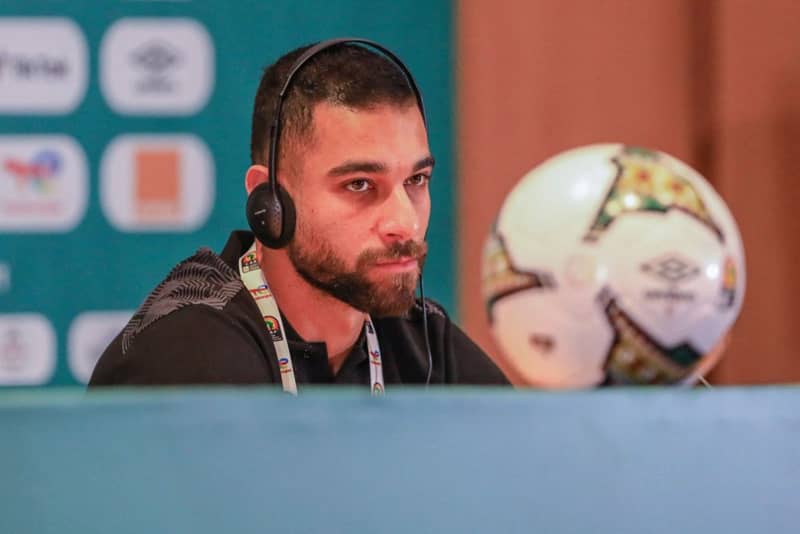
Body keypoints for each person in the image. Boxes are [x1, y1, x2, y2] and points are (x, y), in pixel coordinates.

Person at [89, 39, 508, 391]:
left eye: (416, 180)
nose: (405, 223)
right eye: (360, 184)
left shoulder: (425, 346)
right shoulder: (191, 353)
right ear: (269, 200)